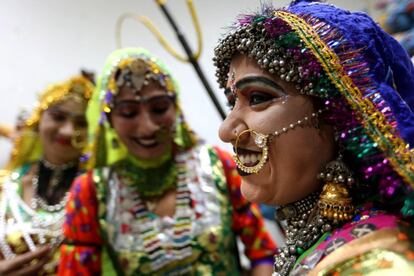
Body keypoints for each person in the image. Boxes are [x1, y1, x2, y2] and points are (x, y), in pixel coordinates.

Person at [213, 0, 414, 275]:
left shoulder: (376, 261)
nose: (225, 130)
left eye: (258, 98)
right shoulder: (319, 240)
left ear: (338, 116)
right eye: (231, 102)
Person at [58, 48, 277, 275]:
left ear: (176, 108)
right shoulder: (91, 192)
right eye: (129, 113)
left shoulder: (217, 167)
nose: (148, 127)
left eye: (159, 108)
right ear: (109, 120)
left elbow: (263, 253)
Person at [0, 74, 94, 275]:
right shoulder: (5, 186)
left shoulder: (99, 191)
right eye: (58, 117)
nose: (68, 131)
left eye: (81, 123)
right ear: (38, 120)